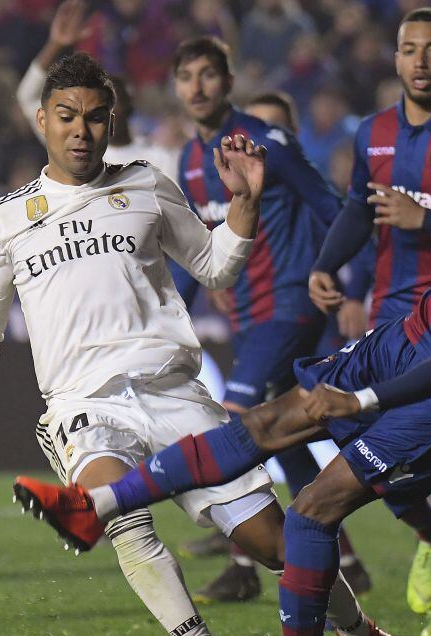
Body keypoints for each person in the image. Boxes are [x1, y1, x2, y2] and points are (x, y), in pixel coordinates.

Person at [14, 86, 431, 636]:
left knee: (311, 510)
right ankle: (97, 505)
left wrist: (363, 403)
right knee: (269, 422)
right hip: (420, 332)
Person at [0, 52, 426, 636]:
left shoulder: (146, 184)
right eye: (67, 117)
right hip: (84, 405)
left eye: (95, 117)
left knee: (277, 544)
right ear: (42, 121)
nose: (81, 130)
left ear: (111, 121)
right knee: (113, 512)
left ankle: (359, 634)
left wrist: (243, 204)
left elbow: (214, 266)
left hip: (175, 396)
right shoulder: (7, 218)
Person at [167, 36, 374, 606]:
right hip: (249, 316)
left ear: (228, 82)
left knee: (236, 425)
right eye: (187, 77)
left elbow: (337, 209)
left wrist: (349, 282)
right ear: (177, 88)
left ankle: (244, 565)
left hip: (291, 303)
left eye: (209, 75)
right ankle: (344, 559)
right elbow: (194, 250)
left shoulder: (269, 141)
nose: (198, 87)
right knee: (283, 438)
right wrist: (172, 313)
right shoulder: (188, 160)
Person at [309, 6, 431, 636]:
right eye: (411, 50)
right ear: (396, 58)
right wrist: (328, 264)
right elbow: (359, 208)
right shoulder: (373, 131)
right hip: (391, 316)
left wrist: (425, 220)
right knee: (361, 439)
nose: (422, 62)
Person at [15, 0, 179, 179]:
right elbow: (27, 96)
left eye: (112, 102)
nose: (104, 111)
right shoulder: (74, 150)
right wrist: (56, 44)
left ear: (129, 103)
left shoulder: (158, 158)